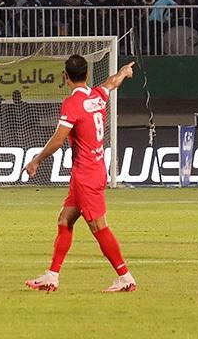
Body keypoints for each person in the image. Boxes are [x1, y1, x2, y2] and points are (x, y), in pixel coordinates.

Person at [23, 57, 137, 294]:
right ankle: (52, 276)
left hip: (86, 174)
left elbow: (58, 140)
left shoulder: (72, 104)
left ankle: (125, 277)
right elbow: (111, 83)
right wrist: (124, 73)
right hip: (91, 170)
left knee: (99, 227)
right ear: (87, 75)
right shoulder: (97, 96)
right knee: (65, 220)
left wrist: (36, 160)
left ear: (65, 76)